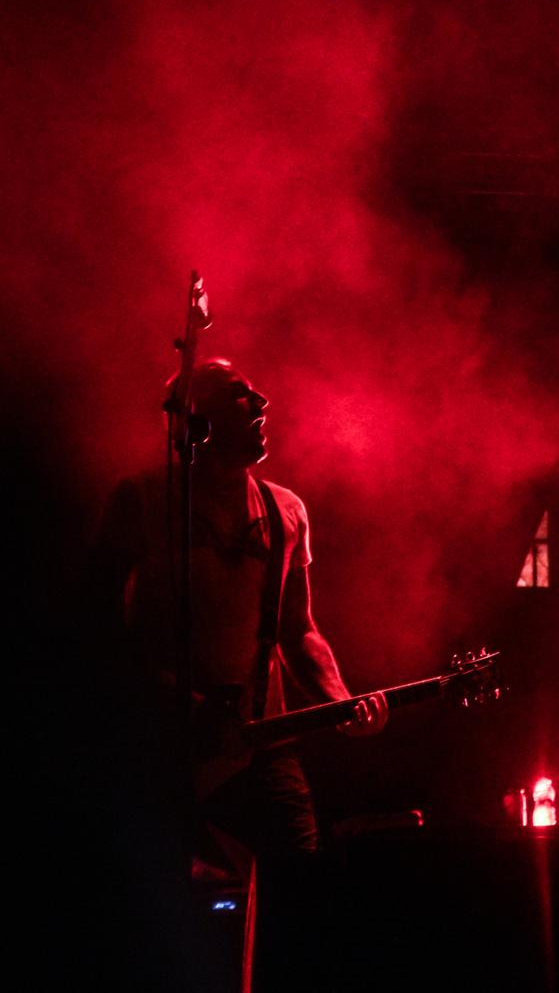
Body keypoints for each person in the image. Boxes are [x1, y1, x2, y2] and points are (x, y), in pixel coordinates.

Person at [91, 358, 388, 990]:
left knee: (299, 892)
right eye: (239, 395)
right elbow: (96, 629)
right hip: (159, 745)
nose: (262, 402)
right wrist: (179, 703)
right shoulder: (140, 500)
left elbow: (298, 629)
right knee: (149, 915)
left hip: (264, 743)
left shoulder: (286, 510)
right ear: (194, 419)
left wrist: (341, 701)